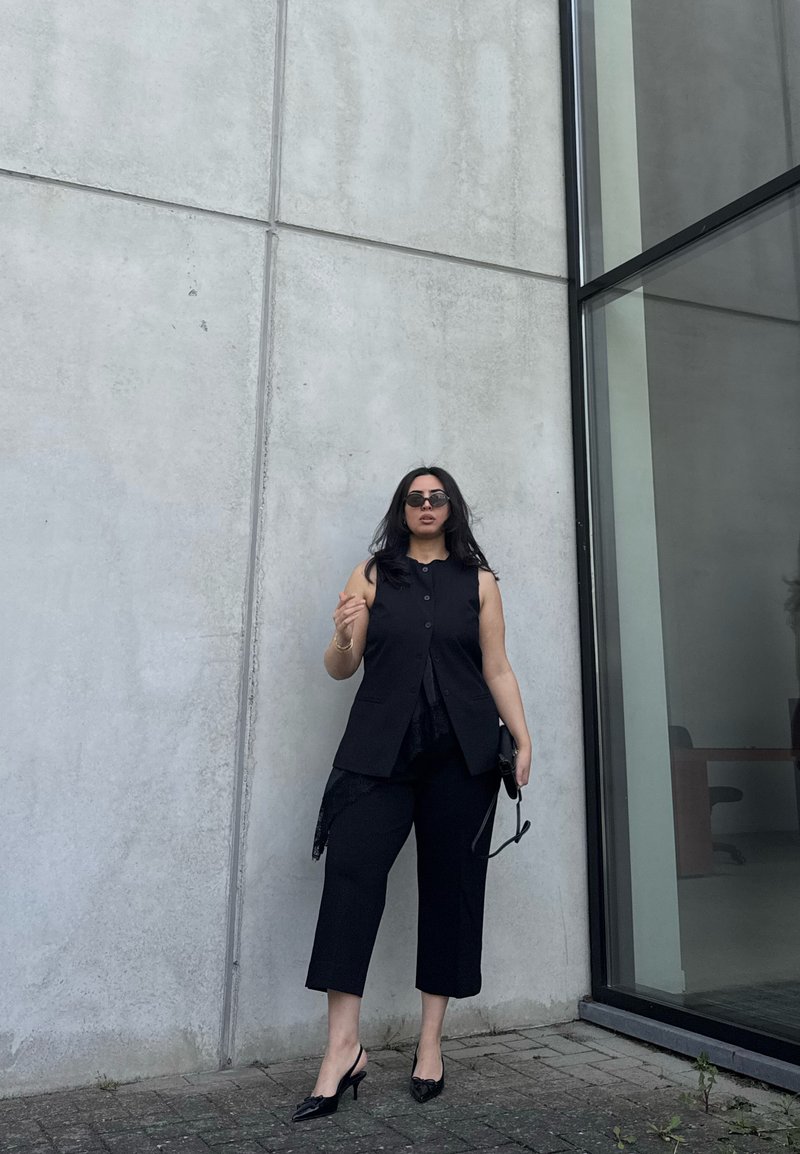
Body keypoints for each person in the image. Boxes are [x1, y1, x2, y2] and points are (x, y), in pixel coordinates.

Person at [292, 466, 532, 1123]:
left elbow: (496, 666)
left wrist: (523, 735)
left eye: (437, 497)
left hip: (464, 756)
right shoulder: (371, 575)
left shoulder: (479, 583)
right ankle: (343, 1048)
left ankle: (431, 1044)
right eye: (414, 498)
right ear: (402, 511)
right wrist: (343, 633)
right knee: (351, 878)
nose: (426, 505)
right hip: (378, 756)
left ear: (451, 508)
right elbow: (342, 665)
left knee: (451, 888)